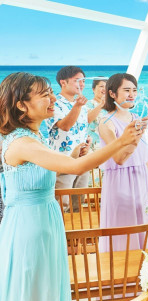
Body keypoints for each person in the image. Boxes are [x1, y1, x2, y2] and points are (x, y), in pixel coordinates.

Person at [0, 72, 141, 301]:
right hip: (30, 227)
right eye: (45, 95)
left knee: (46, 288)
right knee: (33, 293)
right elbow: (75, 169)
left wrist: (73, 155)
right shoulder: (22, 142)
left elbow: (48, 170)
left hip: (44, 221)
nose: (54, 98)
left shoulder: (34, 137)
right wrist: (121, 142)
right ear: (21, 105)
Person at [98, 74, 148, 251]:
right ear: (112, 93)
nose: (132, 95)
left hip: (142, 180)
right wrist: (136, 137)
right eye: (127, 90)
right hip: (120, 182)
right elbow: (119, 158)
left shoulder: (136, 117)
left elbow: (145, 157)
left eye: (134, 90)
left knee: (143, 227)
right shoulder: (106, 122)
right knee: (123, 232)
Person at [43, 66, 90, 211]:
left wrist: (87, 142)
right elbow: (65, 126)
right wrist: (77, 106)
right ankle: (61, 226)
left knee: (78, 202)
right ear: (63, 82)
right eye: (77, 80)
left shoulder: (80, 104)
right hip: (63, 159)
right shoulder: (54, 104)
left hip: (82, 158)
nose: (82, 84)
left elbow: (83, 126)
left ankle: (77, 225)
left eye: (83, 81)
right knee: (61, 203)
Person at [85, 77, 107, 153]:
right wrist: (101, 104)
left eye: (106, 87)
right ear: (93, 89)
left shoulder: (111, 107)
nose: (104, 89)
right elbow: (88, 119)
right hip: (92, 145)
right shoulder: (88, 104)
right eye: (101, 86)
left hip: (107, 144)